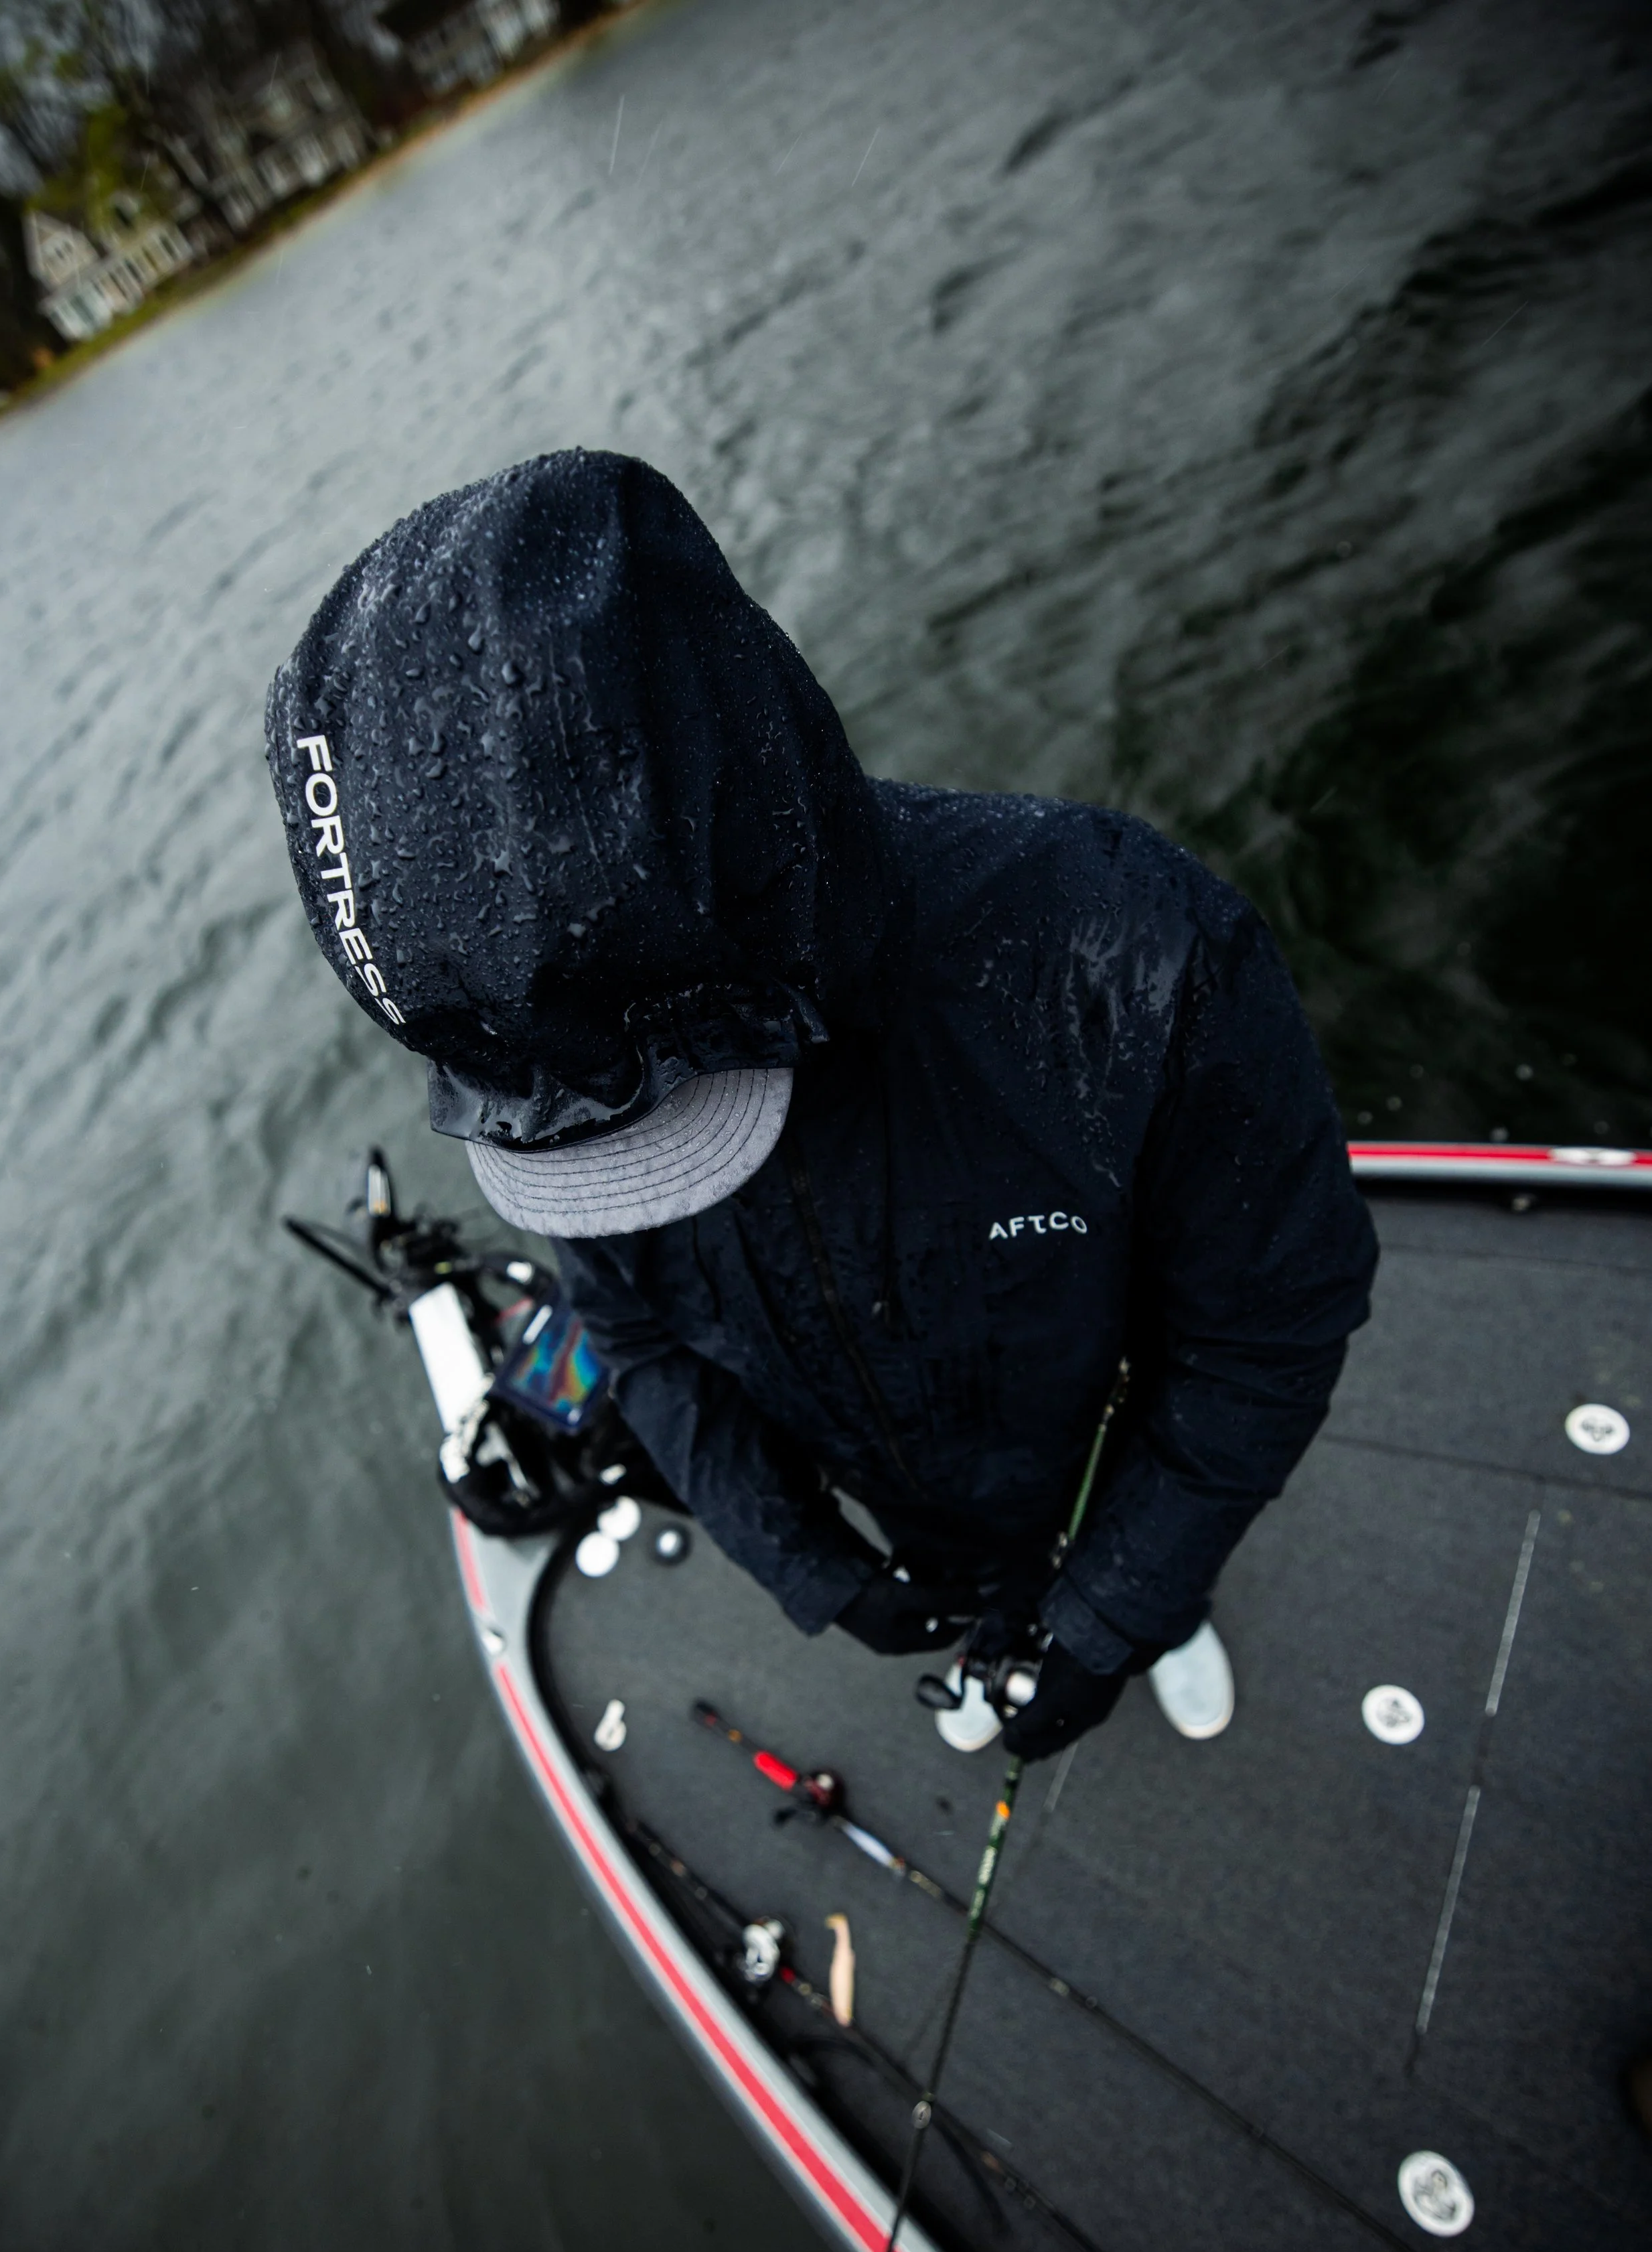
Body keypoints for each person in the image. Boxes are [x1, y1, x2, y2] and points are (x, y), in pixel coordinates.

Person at [266, 451, 1377, 1762]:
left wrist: (1112, 1610)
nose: (619, 1168)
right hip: (906, 1506)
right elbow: (635, 1337)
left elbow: (1267, 1326)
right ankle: (1005, 1611)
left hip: (1096, 1431)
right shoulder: (548, 1067)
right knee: (984, 1578)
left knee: (1134, 1566)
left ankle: (1151, 1608)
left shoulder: (1137, 954)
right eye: (579, 1138)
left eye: (658, 1112)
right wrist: (812, 1568)